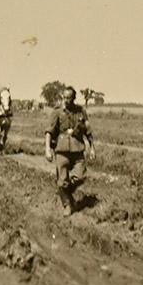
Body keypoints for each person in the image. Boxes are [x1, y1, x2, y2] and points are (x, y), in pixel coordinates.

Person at [44, 86, 95, 216]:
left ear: (74, 98)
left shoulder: (80, 111)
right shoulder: (57, 112)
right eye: (64, 98)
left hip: (77, 149)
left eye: (69, 98)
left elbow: (88, 131)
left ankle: (66, 191)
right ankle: (67, 205)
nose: (66, 100)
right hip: (62, 150)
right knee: (62, 181)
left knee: (80, 176)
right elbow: (49, 132)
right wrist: (47, 149)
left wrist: (92, 148)